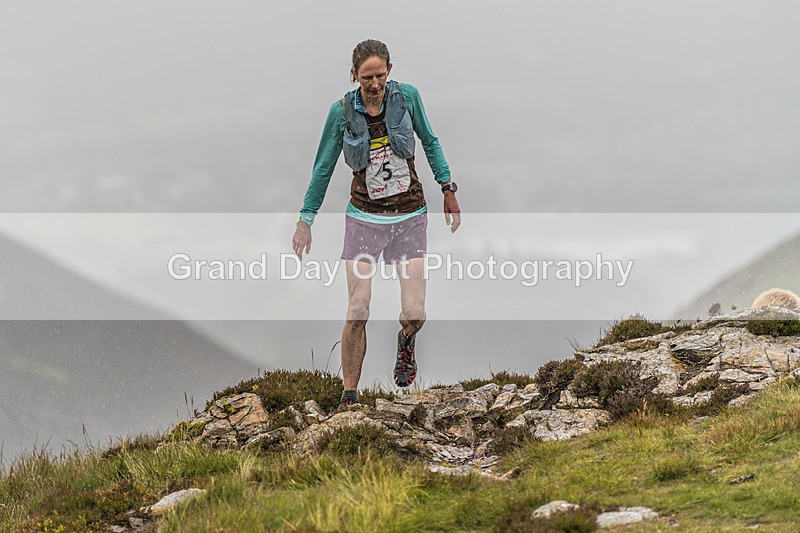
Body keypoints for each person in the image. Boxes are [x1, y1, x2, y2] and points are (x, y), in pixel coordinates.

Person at [292, 39, 460, 407]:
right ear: (353, 76)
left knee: (415, 313)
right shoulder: (340, 113)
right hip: (364, 219)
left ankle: (406, 342)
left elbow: (430, 142)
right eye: (366, 77)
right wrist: (306, 219)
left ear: (389, 72)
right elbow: (322, 168)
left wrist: (447, 188)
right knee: (358, 309)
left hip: (410, 217)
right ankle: (349, 394)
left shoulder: (408, 98)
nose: (374, 84)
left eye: (380, 75)